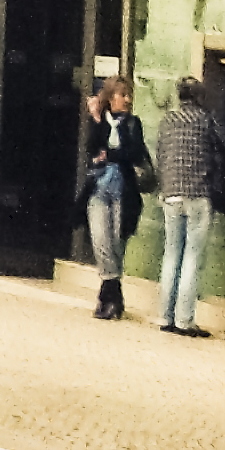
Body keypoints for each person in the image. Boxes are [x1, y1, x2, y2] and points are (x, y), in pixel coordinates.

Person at [151, 79, 225, 339]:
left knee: (171, 254)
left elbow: (160, 157)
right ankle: (185, 320)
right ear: (200, 97)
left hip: (170, 194)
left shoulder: (167, 120)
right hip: (197, 195)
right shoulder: (207, 120)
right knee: (192, 257)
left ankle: (164, 316)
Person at [80, 77, 150, 322]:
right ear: (111, 98)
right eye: (123, 95)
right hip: (99, 188)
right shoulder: (99, 121)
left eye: (129, 95)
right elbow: (90, 148)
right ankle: (113, 295)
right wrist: (97, 120)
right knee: (101, 241)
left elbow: (134, 152)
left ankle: (107, 298)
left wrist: (109, 153)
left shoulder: (133, 123)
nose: (128, 99)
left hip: (123, 190)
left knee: (116, 245)